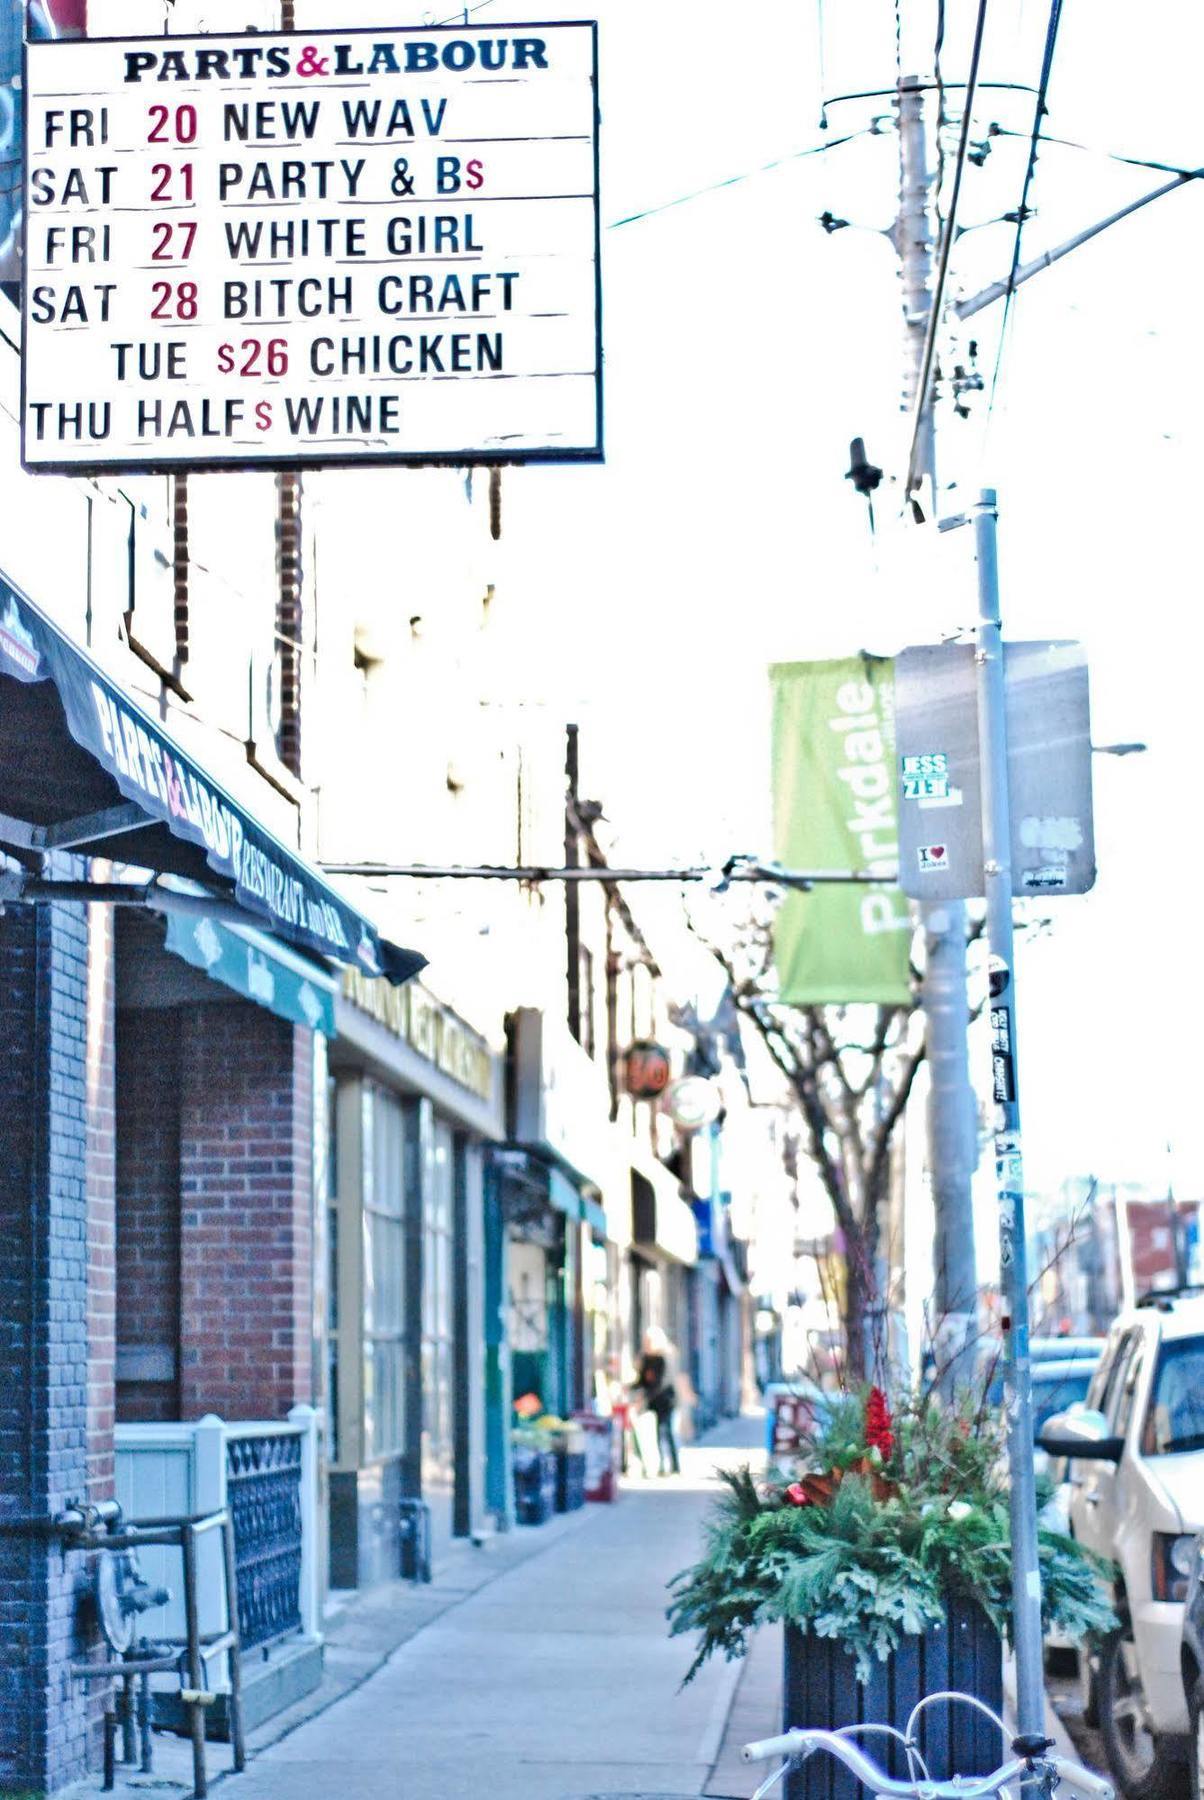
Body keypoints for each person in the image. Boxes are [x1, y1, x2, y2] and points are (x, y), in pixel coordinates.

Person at [633, 1326, 680, 1475]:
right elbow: (642, 1381)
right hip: (653, 1401)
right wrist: (630, 1388)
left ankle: (674, 1466)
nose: (646, 1344)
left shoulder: (665, 1357)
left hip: (666, 1401)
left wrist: (644, 1398)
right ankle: (659, 1466)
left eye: (649, 1341)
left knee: (666, 1431)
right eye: (645, 1341)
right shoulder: (646, 1358)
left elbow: (662, 1383)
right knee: (657, 1433)